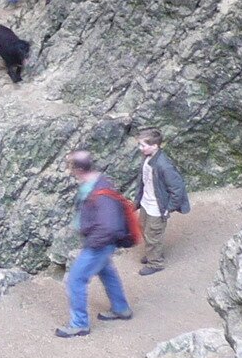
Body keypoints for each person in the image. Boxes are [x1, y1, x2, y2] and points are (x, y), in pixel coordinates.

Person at [56, 150, 134, 338]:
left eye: (70, 166)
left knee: (75, 280)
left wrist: (92, 243)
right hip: (101, 242)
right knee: (107, 273)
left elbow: (110, 226)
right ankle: (121, 308)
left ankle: (79, 324)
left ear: (78, 169)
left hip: (98, 243)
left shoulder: (99, 192)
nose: (69, 170)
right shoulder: (97, 183)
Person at [130, 129, 191, 276]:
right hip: (147, 202)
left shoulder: (164, 165)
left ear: (155, 146)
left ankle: (156, 262)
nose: (140, 148)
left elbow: (178, 188)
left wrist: (168, 208)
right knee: (144, 228)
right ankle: (153, 253)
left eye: (143, 145)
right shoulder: (147, 158)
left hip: (158, 207)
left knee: (153, 234)